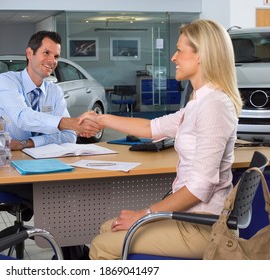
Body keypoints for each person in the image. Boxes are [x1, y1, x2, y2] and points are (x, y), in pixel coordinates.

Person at [79, 19, 243, 260]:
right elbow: (150, 127)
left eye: (179, 50)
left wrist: (144, 215)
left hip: (203, 227)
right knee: (108, 228)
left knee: (103, 244)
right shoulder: (199, 103)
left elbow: (200, 187)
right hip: (191, 218)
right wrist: (100, 119)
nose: (173, 58)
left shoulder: (214, 106)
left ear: (201, 55)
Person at [0, 31, 99, 259]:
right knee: (58, 197)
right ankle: (75, 257)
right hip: (6, 169)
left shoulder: (54, 91)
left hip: (45, 166)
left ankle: (71, 256)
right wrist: (64, 123)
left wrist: (29, 142)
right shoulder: (6, 82)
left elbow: (68, 137)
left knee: (75, 190)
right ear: (30, 53)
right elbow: (22, 117)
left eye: (56, 56)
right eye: (46, 53)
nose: (52, 60)